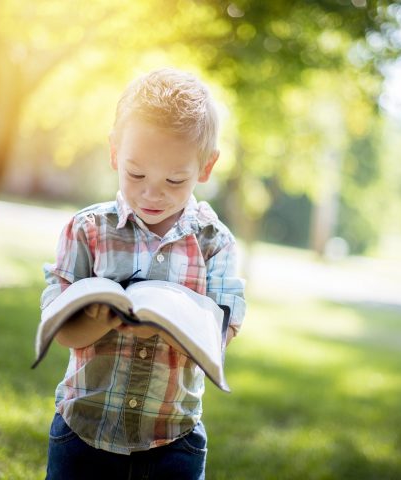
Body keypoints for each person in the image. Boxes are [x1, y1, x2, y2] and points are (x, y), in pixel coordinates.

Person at [40, 68, 246, 479]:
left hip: (173, 438)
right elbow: (58, 327)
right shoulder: (88, 230)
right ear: (115, 152)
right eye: (136, 174)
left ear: (206, 167)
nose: (153, 192)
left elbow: (221, 334)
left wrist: (169, 327)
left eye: (174, 179)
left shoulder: (213, 242)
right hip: (85, 429)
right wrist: (96, 321)